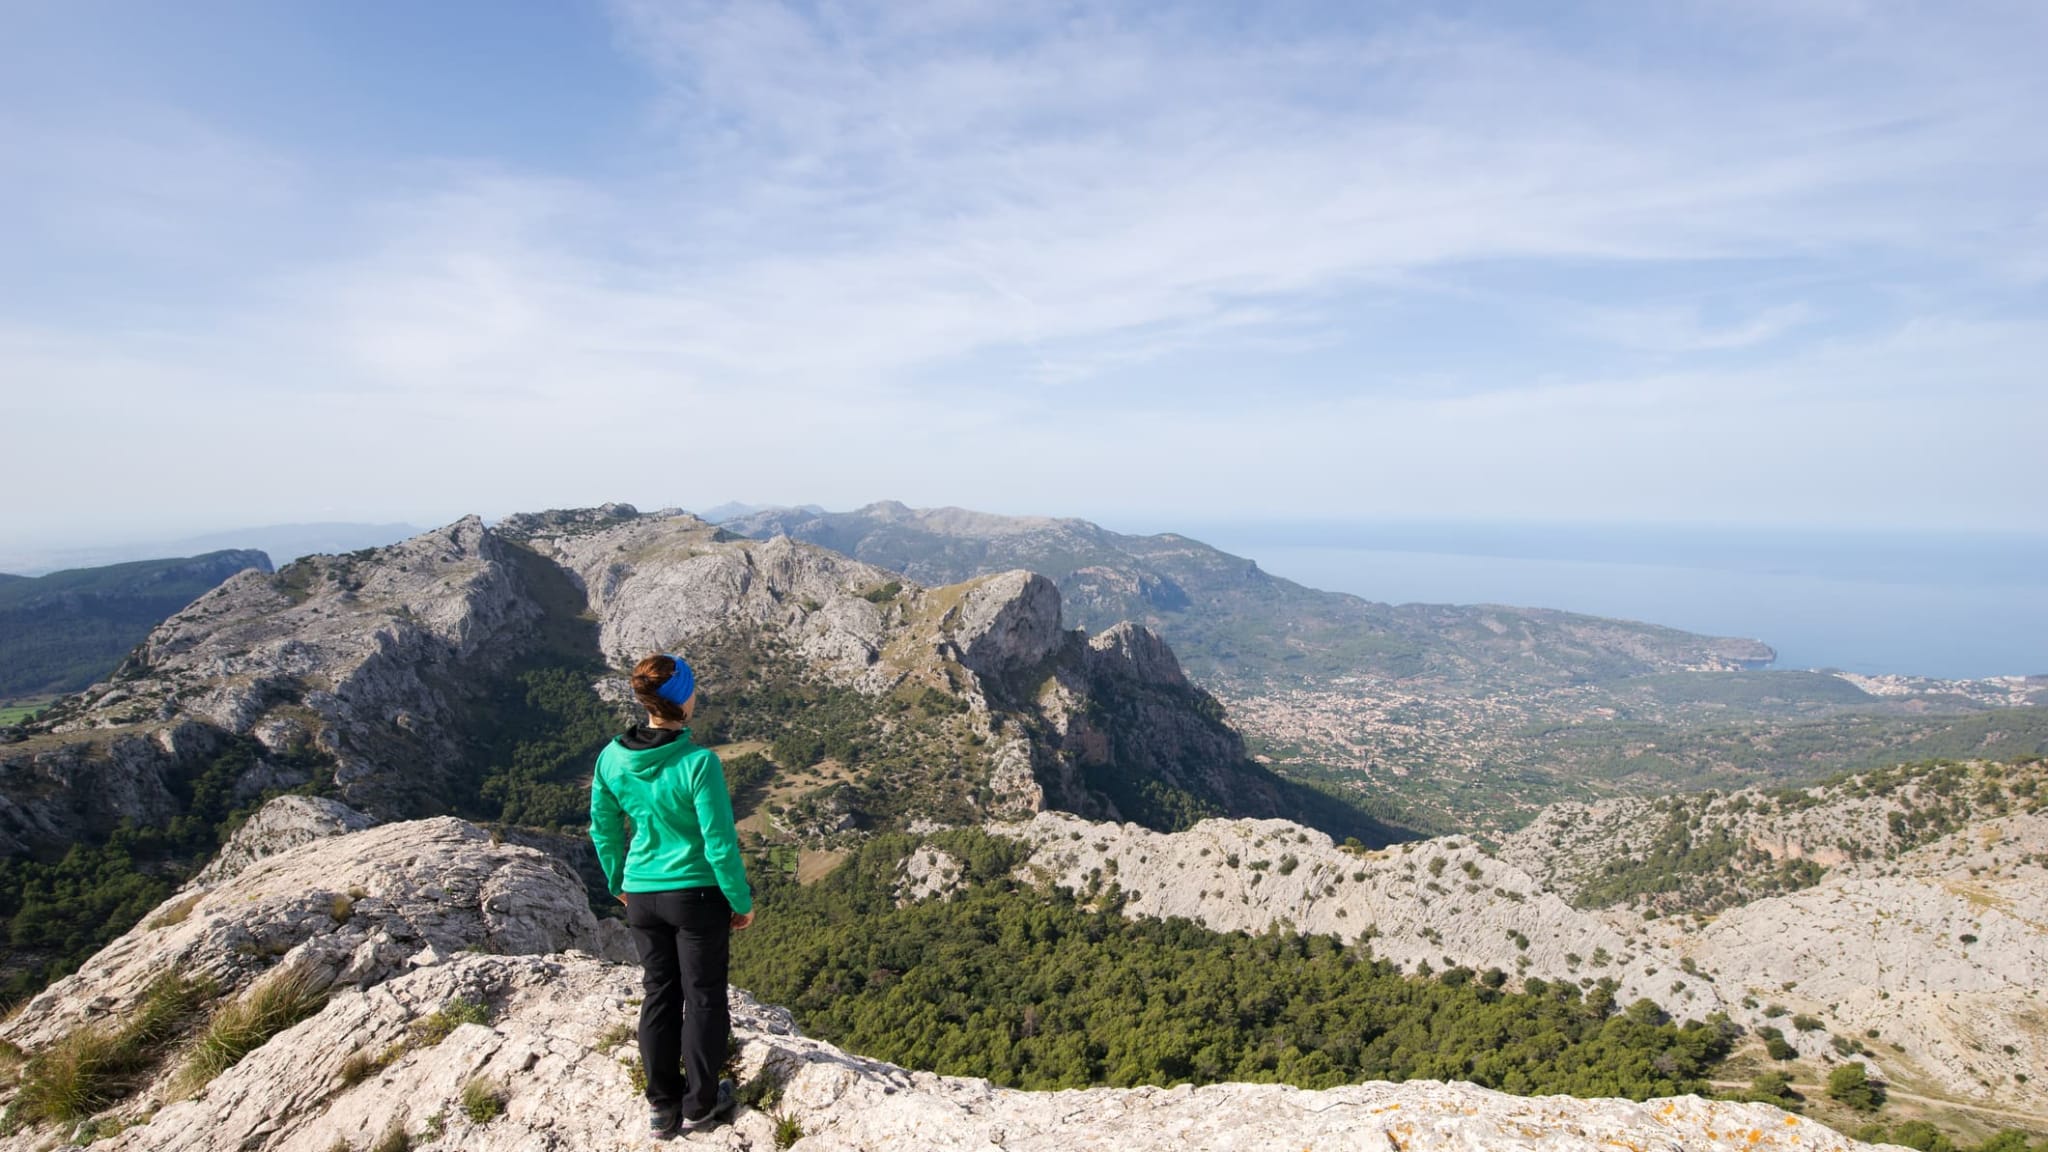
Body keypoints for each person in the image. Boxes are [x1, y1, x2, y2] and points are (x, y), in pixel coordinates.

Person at [590, 653, 754, 1139]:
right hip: (697, 895)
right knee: (703, 998)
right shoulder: (698, 763)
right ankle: (700, 1104)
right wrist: (739, 900)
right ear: (683, 698)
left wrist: (618, 882)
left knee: (659, 995)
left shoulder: (611, 758)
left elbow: (604, 830)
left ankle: (661, 1106)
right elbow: (719, 842)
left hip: (641, 894)